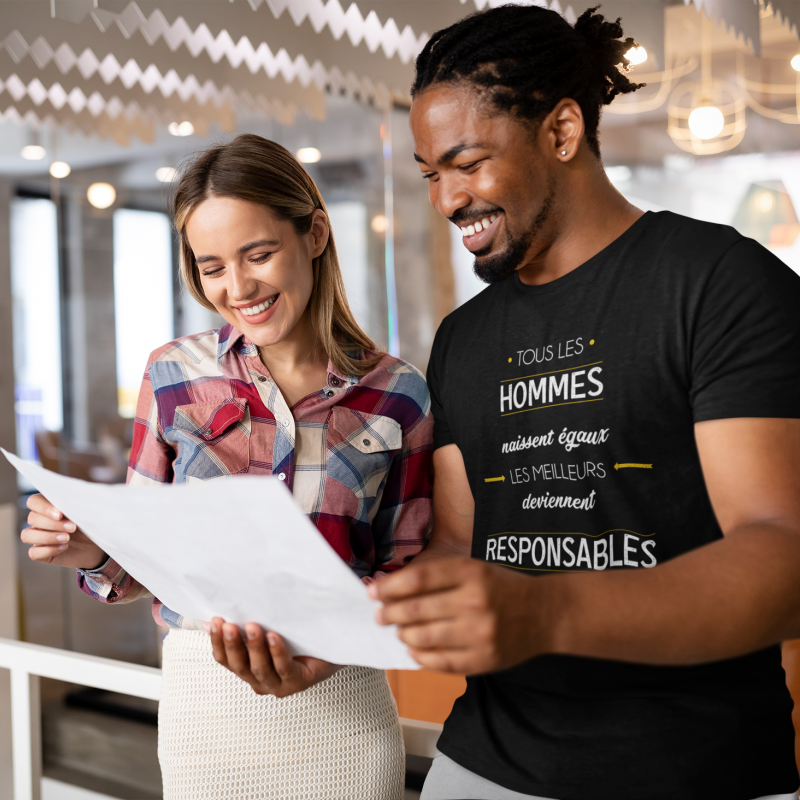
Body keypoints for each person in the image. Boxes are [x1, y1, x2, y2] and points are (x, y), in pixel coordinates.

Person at [369, 5, 800, 800]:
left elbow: (784, 552)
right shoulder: (463, 337)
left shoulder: (719, 283)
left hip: (699, 770)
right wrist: (336, 627)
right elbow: (461, 540)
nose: (448, 200)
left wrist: (548, 613)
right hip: (484, 764)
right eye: (432, 174)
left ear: (562, 131)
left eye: (467, 162)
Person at [21, 133, 433, 800]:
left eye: (259, 254)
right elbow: (135, 564)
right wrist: (88, 549)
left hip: (343, 709)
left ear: (317, 234)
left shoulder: (399, 393)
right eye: (211, 266)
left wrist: (334, 642)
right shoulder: (173, 374)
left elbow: (409, 570)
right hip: (205, 709)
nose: (237, 287)